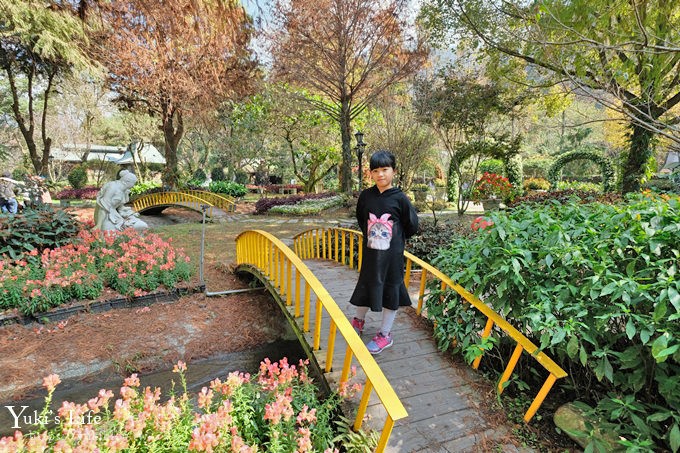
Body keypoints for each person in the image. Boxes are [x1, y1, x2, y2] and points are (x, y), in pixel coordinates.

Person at [349, 150, 419, 354]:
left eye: (385, 170)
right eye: (376, 170)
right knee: (366, 284)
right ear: (371, 173)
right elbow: (362, 220)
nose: (381, 174)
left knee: (390, 289)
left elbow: (412, 225)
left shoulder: (400, 198)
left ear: (393, 171)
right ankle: (358, 321)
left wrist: (394, 239)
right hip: (371, 254)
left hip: (392, 256)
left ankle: (385, 334)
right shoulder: (366, 196)